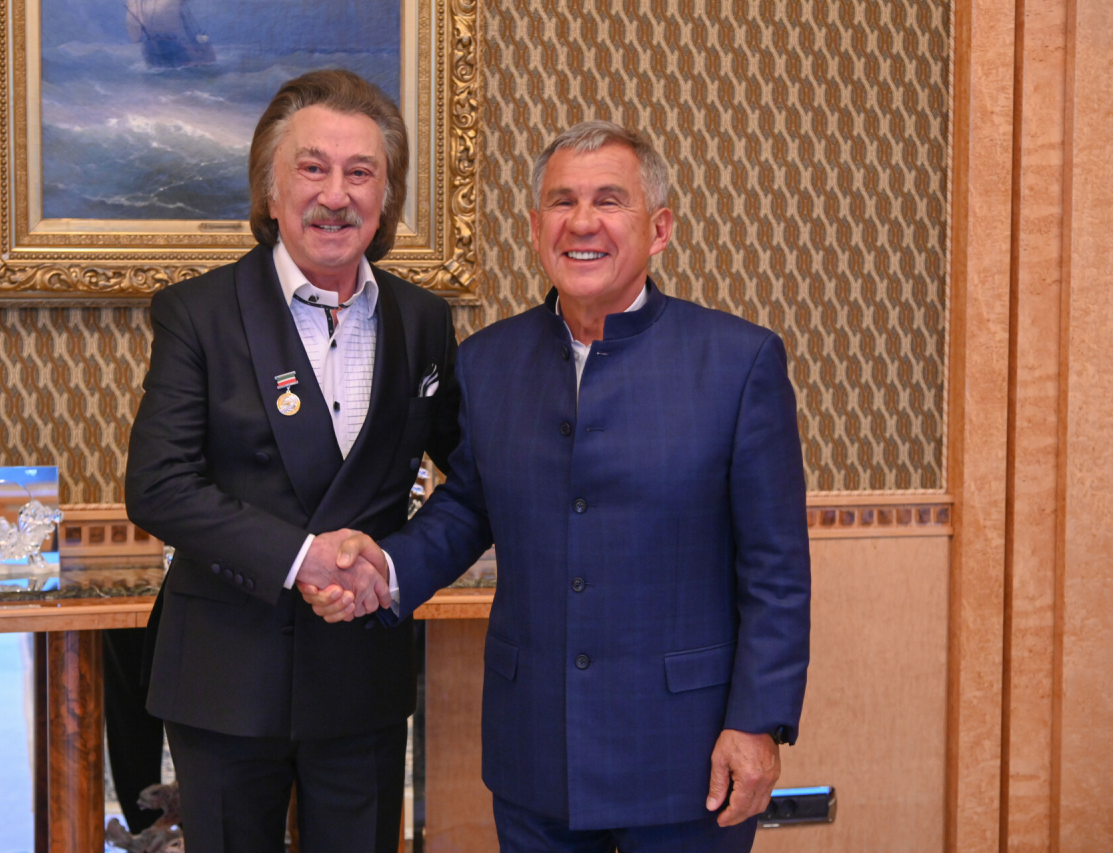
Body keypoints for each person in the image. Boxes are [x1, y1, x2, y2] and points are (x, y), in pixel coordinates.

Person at [303, 121, 811, 853]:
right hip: (535, 747)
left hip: (687, 752)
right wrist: (383, 569)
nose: (582, 222)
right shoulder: (488, 361)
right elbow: (469, 506)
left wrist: (757, 722)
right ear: (535, 227)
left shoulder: (739, 362)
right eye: (562, 201)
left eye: (609, 201)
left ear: (660, 229)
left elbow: (776, 570)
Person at [124, 69, 460, 853]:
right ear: (270, 190)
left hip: (362, 676)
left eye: (360, 172)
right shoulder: (199, 312)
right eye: (312, 167)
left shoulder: (423, 320)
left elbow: (472, 476)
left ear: (385, 197)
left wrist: (393, 567)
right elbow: (158, 484)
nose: (334, 195)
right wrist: (303, 557)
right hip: (226, 680)